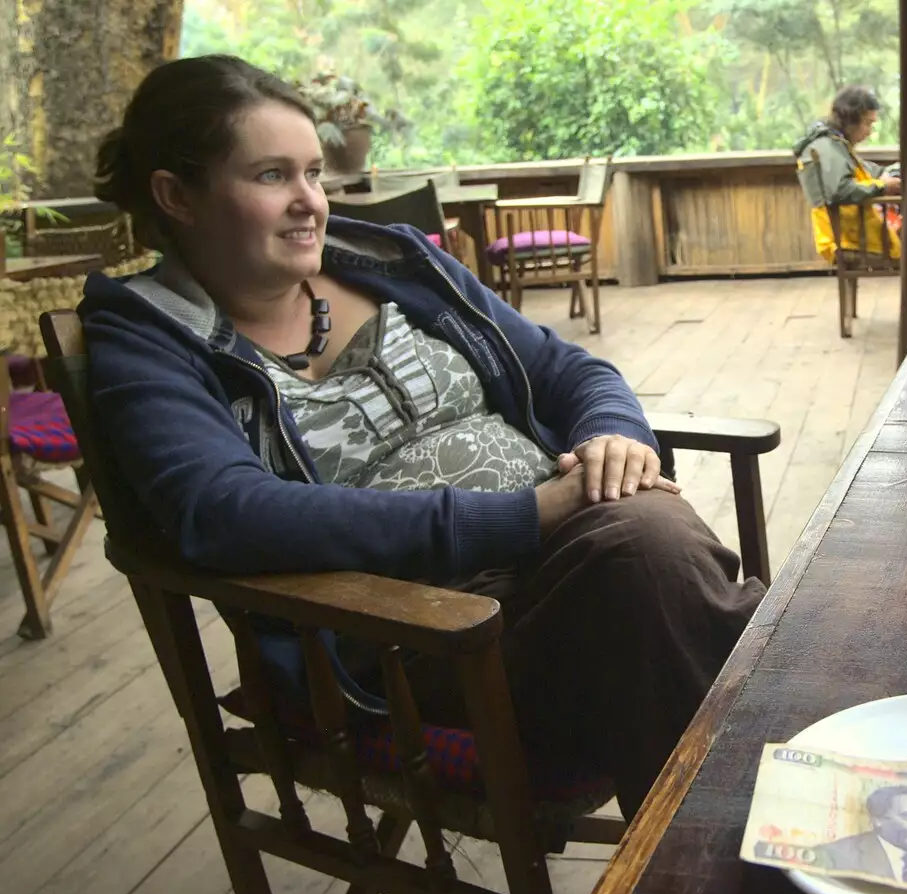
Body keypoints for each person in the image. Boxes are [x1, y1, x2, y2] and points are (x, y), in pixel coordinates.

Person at [81, 55, 766, 819]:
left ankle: (721, 847)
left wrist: (614, 438)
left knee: (648, 542)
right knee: (658, 561)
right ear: (177, 196)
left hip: (581, 561)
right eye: (272, 176)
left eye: (314, 173)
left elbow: (568, 369)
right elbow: (223, 510)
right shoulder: (147, 337)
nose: (311, 203)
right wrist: (529, 514)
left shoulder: (394, 263)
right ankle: (749, 840)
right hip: (420, 635)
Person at [793, 85, 901, 263]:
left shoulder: (837, 145)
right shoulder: (827, 148)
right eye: (867, 123)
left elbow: (868, 171)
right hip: (847, 241)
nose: (869, 131)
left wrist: (892, 173)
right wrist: (882, 186)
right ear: (850, 120)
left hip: (855, 233)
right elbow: (839, 191)